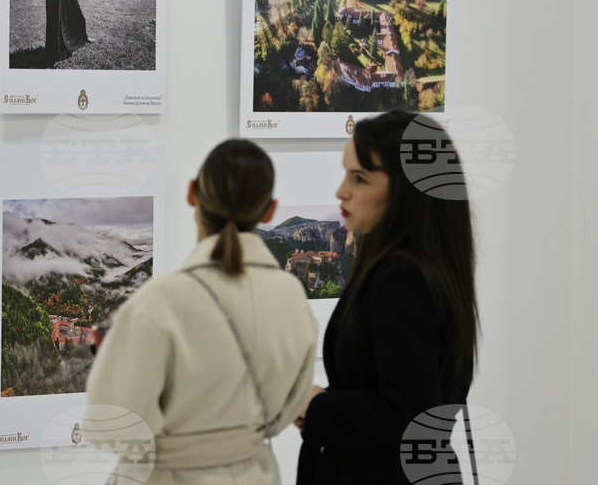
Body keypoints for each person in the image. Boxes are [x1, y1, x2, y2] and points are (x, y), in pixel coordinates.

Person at [86, 139, 317, 484]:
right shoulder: (292, 296)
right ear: (269, 210)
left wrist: (113, 360)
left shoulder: (159, 302)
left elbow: (113, 427)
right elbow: (288, 408)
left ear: (192, 193)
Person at [296, 110, 479, 485]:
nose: (341, 191)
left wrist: (318, 407)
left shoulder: (402, 279)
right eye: (346, 173)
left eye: (359, 178)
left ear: (406, 191)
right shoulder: (426, 268)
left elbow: (407, 413)